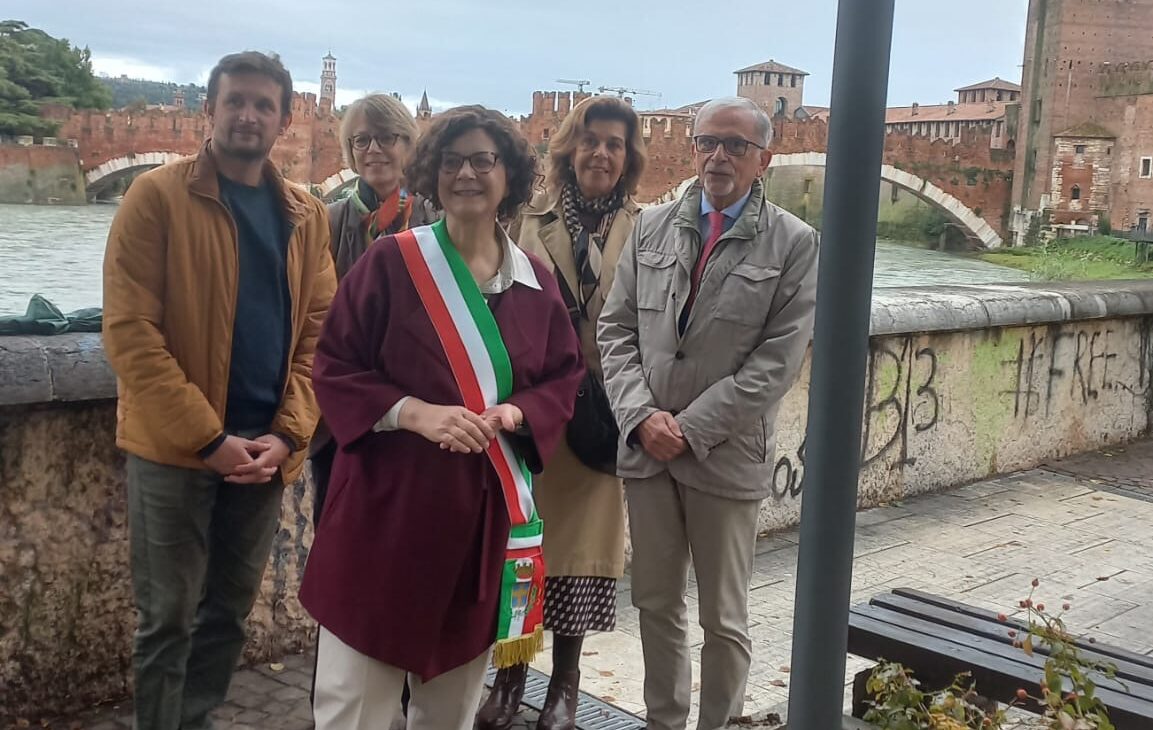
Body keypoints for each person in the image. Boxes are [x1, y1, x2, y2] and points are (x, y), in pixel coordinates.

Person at [299, 105, 585, 730]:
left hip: (479, 528)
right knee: (355, 710)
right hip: (384, 517)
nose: (467, 173)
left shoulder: (537, 283)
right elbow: (335, 365)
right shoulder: (389, 263)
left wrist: (519, 410)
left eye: (484, 160)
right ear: (432, 172)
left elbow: (564, 377)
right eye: (452, 160)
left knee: (449, 711)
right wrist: (412, 413)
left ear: (510, 174)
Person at [101, 51, 335, 730]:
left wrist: (288, 432)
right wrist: (207, 437)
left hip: (263, 452)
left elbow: (322, 338)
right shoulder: (156, 196)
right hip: (176, 452)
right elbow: (130, 333)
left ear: (287, 118)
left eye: (264, 104)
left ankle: (194, 719)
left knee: (227, 612)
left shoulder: (305, 215)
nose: (248, 115)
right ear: (209, 109)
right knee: (166, 619)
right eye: (234, 101)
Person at [597, 97, 819, 730]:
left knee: (723, 617)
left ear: (763, 160)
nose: (718, 156)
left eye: (735, 146)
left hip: (723, 455)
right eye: (708, 143)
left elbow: (778, 361)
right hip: (645, 449)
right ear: (691, 148)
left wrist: (689, 428)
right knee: (655, 602)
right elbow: (614, 331)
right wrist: (641, 416)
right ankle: (664, 721)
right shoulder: (651, 227)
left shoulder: (796, 244)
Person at [480, 95, 647, 730]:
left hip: (602, 412)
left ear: (629, 157)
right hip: (535, 408)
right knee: (521, 545)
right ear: (569, 148)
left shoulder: (647, 226)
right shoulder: (526, 219)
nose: (601, 153)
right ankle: (511, 673)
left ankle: (566, 685)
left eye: (615, 144)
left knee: (581, 555)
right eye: (590, 141)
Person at [310, 92, 437, 523]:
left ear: (408, 144)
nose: (374, 150)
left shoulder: (438, 218)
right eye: (361, 141)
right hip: (344, 413)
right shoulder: (328, 221)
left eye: (387, 138)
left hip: (423, 409)